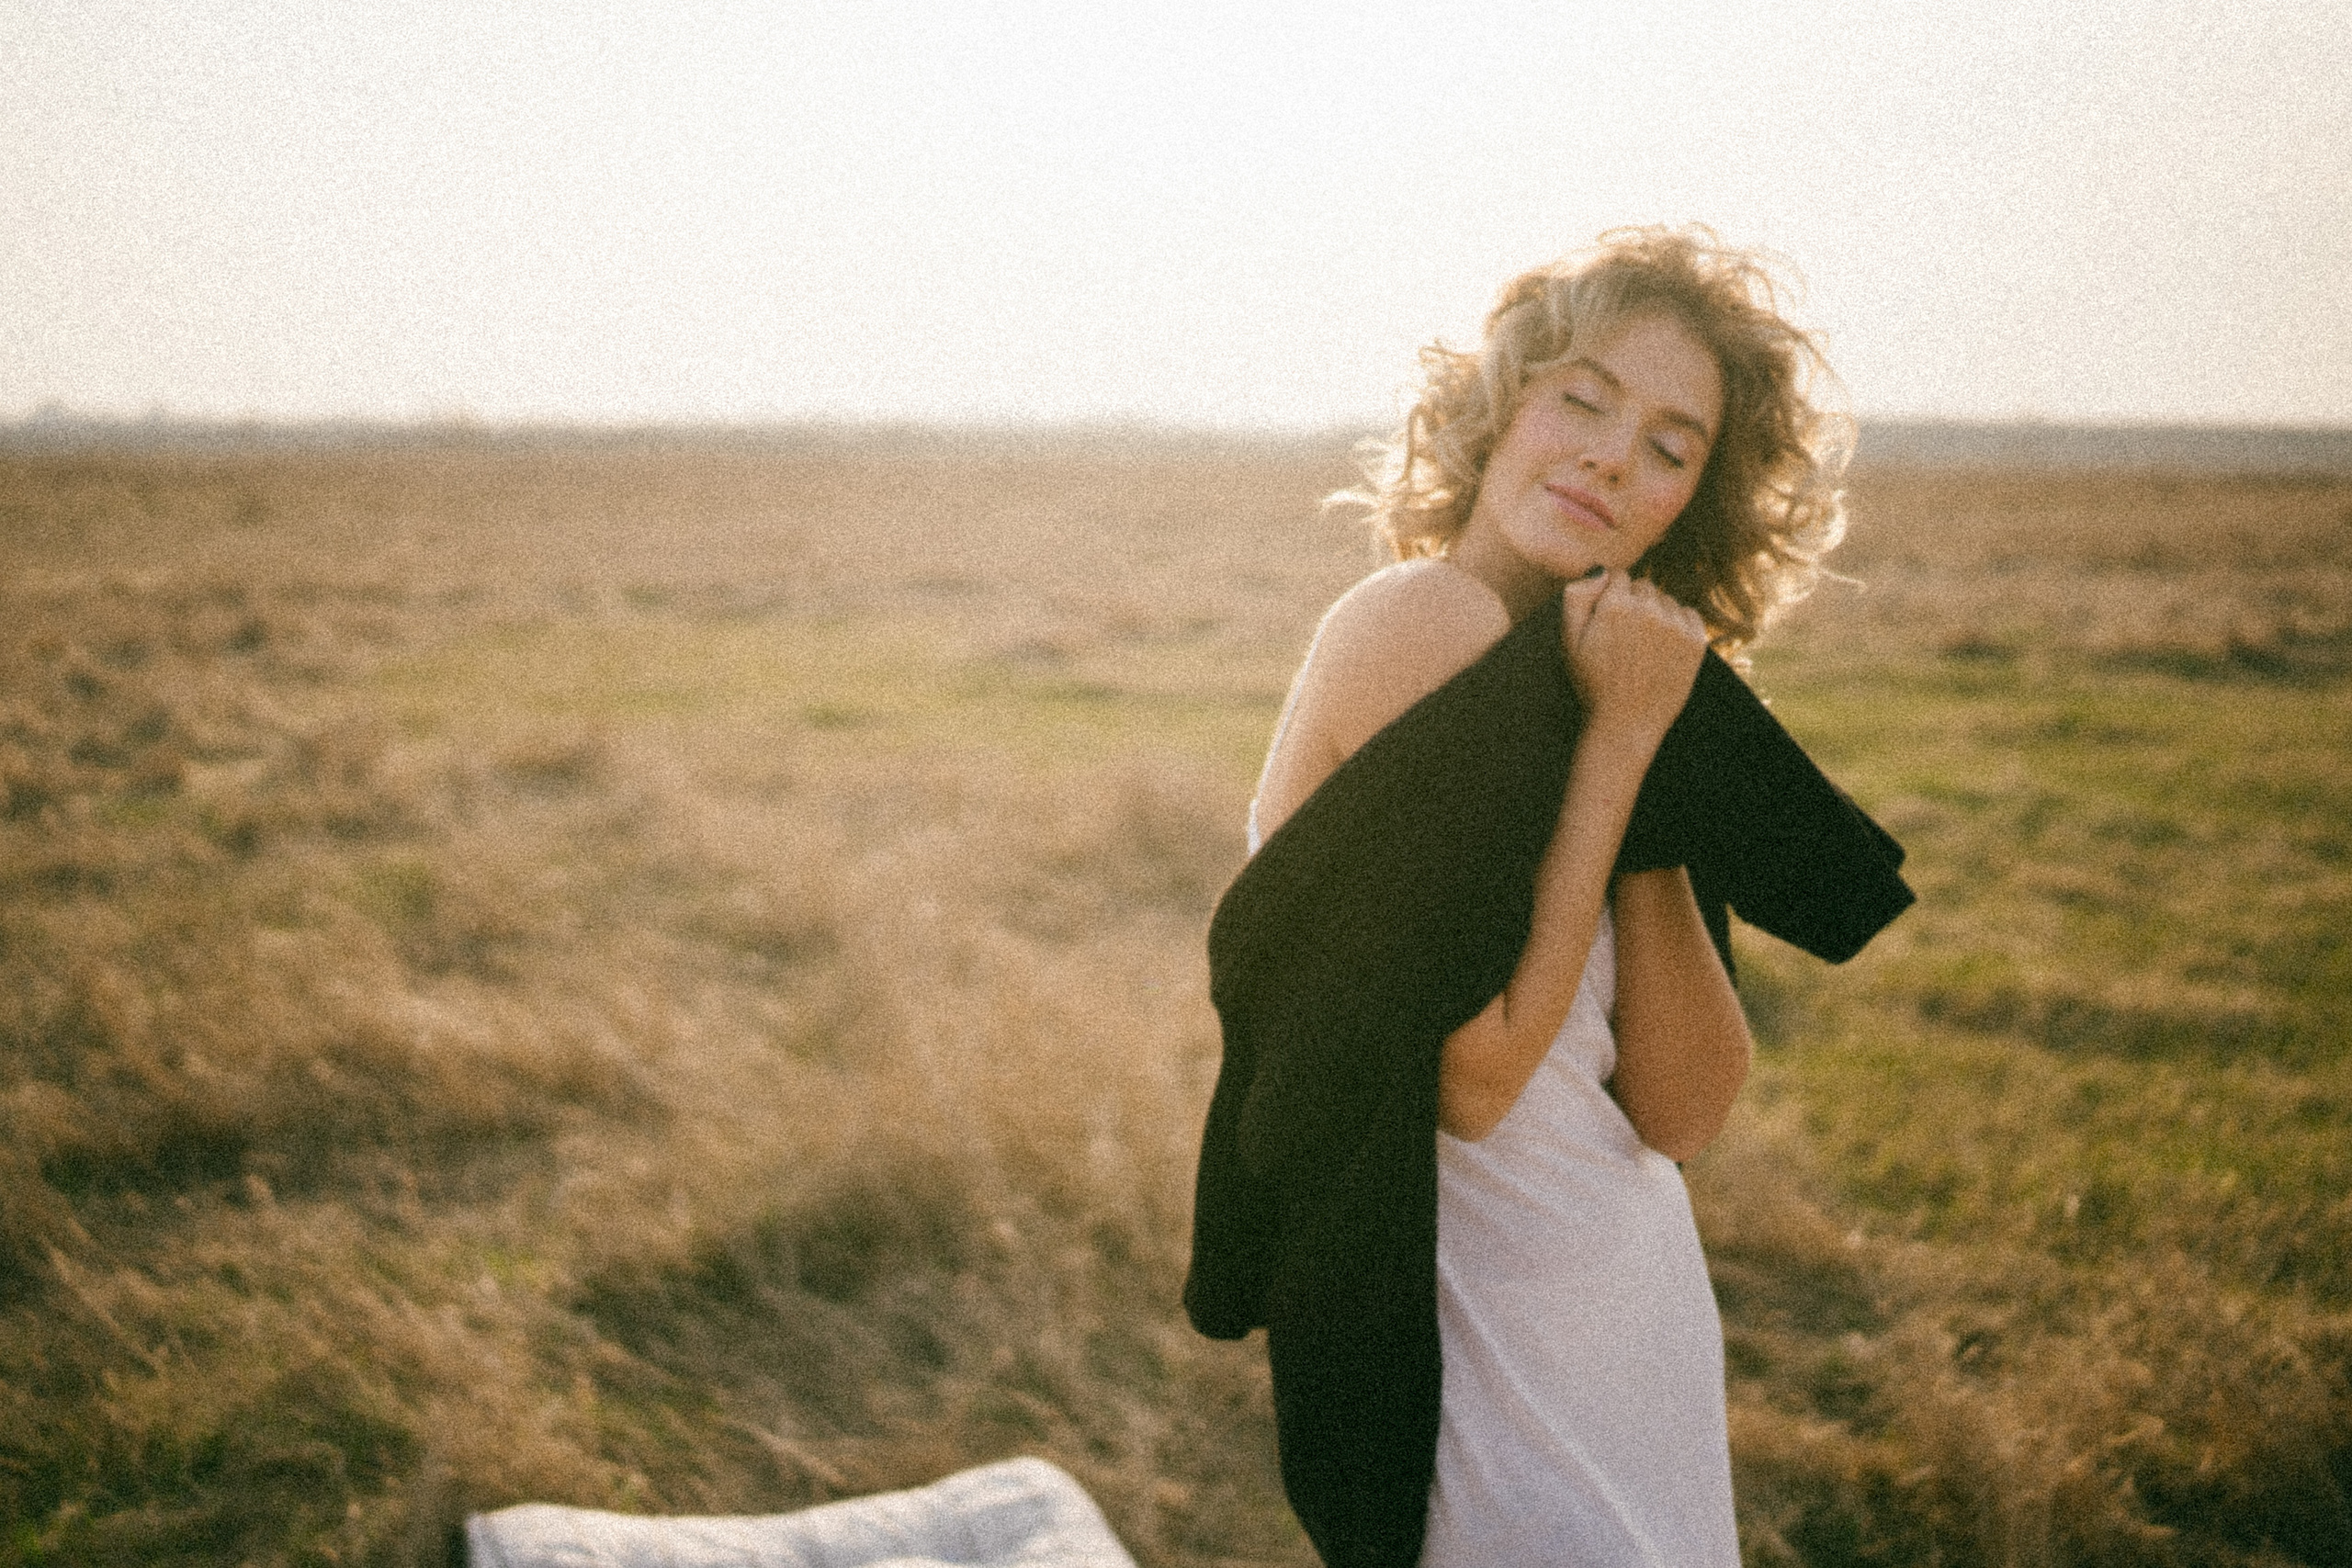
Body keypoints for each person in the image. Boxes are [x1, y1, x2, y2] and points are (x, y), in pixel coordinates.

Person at [1241, 227, 1851, 1564]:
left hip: (1628, 1317)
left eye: (1670, 446)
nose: (1610, 456)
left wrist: (1628, 738)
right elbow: (1476, 1079)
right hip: (1481, 1336)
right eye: (1582, 397)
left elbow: (1681, 1109)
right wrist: (1622, 742)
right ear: (1503, 402)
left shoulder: (1597, 683)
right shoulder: (1421, 625)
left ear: (1692, 503)